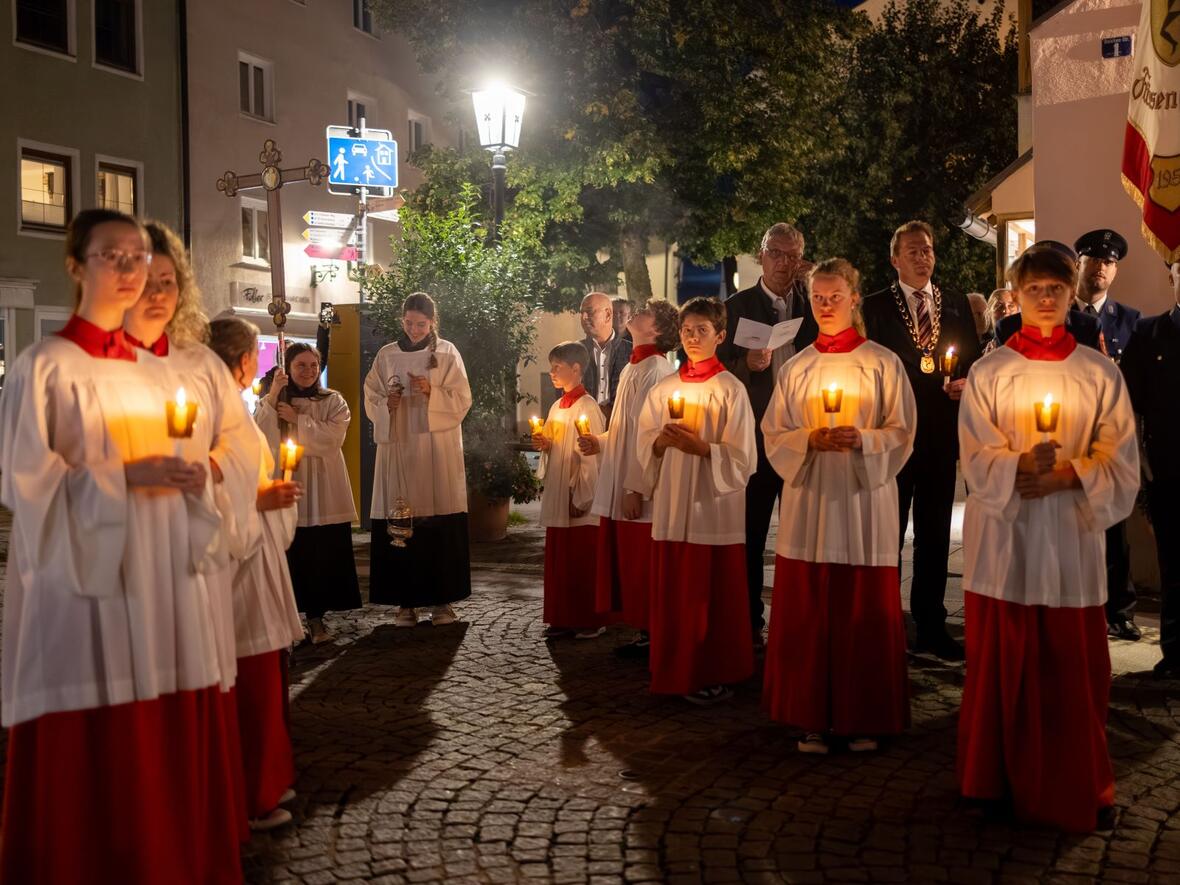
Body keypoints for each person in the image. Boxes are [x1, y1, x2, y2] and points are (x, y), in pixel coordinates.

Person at [0, 209, 244, 882]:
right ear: (77, 266)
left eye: (138, 258)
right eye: (113, 256)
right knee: (103, 765)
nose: (132, 271)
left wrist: (196, 478)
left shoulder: (161, 373)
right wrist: (121, 479)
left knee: (165, 747)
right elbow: (26, 486)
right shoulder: (46, 365)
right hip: (90, 595)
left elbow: (194, 457)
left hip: (165, 589)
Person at [957, 245, 1138, 832]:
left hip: (1069, 542)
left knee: (1071, 667)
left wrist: (1067, 474)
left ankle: (1083, 781)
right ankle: (989, 779)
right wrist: (1017, 469)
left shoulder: (1098, 372)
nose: (1044, 298)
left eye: (1055, 289)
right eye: (1033, 288)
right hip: (1006, 541)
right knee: (1000, 663)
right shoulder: (990, 372)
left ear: (1068, 294)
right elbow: (975, 455)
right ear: (1016, 292)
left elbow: (1122, 462)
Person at [761, 259, 916, 755]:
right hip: (811, 501)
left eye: (836, 297)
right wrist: (809, 439)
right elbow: (773, 433)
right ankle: (809, 715)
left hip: (863, 500)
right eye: (819, 299)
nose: (827, 306)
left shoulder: (882, 363)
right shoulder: (797, 366)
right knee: (810, 608)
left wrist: (864, 440)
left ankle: (863, 713)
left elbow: (903, 431)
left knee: (861, 609)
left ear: (854, 298)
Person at [861, 220, 982, 660]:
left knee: (934, 533)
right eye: (911, 250)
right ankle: (888, 624)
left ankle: (931, 623)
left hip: (939, 432)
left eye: (927, 249)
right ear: (894, 259)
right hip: (893, 435)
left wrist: (965, 382)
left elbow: (969, 358)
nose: (921, 256)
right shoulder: (874, 307)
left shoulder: (953, 304)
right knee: (887, 531)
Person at [209, 316, 305, 832]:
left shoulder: (233, 407)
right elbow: (208, 482)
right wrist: (260, 497)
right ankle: (251, 789)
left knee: (268, 670)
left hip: (258, 551)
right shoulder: (214, 412)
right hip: (237, 561)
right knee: (251, 677)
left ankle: (269, 776)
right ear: (244, 360)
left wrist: (271, 491)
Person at [636, 297, 757, 705]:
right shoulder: (664, 387)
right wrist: (658, 443)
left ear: (720, 336)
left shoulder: (731, 390)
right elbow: (643, 445)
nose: (692, 337)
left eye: (702, 330)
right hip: (672, 505)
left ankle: (711, 670)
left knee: (709, 596)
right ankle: (673, 668)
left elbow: (743, 458)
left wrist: (704, 448)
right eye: (687, 330)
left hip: (712, 508)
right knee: (675, 593)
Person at [717, 222, 819, 642]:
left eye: (793, 255)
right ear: (761, 255)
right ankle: (748, 620)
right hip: (756, 435)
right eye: (776, 253)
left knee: (804, 534)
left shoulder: (813, 305)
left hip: (802, 434)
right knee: (751, 534)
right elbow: (717, 368)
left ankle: (802, 622)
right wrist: (747, 366)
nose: (784, 263)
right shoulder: (737, 306)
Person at [577, 300, 680, 657]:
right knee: (629, 559)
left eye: (645, 311)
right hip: (624, 477)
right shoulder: (637, 366)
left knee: (642, 560)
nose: (635, 312)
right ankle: (643, 631)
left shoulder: (656, 369)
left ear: (657, 329)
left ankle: (652, 633)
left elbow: (648, 435)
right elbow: (626, 427)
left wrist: (635, 487)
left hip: (639, 485)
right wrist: (602, 442)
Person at [364, 292, 473, 627]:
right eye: (409, 323)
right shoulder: (387, 355)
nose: (414, 329)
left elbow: (462, 398)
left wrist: (431, 392)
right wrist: (388, 404)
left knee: (438, 519)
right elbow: (371, 396)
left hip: (434, 447)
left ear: (432, 322)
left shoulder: (445, 353)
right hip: (399, 446)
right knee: (401, 522)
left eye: (421, 324)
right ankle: (405, 604)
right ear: (402, 319)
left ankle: (442, 603)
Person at [256, 342, 361, 644]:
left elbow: (332, 438)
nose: (309, 371)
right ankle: (288, 622)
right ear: (287, 369)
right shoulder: (274, 400)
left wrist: (297, 420)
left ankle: (317, 619)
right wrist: (274, 394)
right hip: (290, 481)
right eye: (301, 365)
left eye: (313, 366)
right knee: (291, 554)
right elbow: (261, 434)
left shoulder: (333, 400)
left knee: (320, 554)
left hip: (323, 485)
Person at [1074, 228, 1143, 642]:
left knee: (1116, 529)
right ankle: (1083, 605)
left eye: (1110, 262)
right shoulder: (1061, 315)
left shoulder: (1131, 321)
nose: (1101, 268)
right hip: (1072, 436)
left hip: (1110, 439)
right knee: (1077, 527)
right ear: (1079, 264)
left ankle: (1121, 610)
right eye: (1094, 260)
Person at [1120, 261, 1180, 677]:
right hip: (1169, 471)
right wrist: (1141, 463)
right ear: (1172, 276)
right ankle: (1176, 652)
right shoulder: (1149, 334)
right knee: (1174, 565)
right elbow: (1129, 408)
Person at [533, 341, 607, 639]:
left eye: (557, 367)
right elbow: (556, 446)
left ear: (576, 369)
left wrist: (583, 495)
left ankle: (589, 619)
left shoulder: (586, 405)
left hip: (578, 495)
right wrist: (545, 445)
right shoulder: (556, 405)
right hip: (559, 492)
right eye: (551, 366)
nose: (551, 372)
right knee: (561, 559)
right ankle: (562, 617)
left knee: (581, 561)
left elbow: (592, 455)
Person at [579, 291, 632, 419]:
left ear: (608, 314)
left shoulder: (632, 351)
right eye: (581, 312)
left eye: (590, 312)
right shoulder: (575, 351)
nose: (584, 317)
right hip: (583, 427)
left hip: (621, 427)